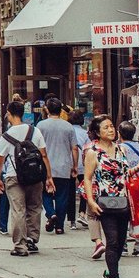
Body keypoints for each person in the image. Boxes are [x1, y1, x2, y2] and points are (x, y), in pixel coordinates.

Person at [83, 115, 135, 278]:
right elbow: (87, 178)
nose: (111, 130)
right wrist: (90, 200)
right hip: (105, 203)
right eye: (106, 128)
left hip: (124, 202)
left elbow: (126, 174)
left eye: (112, 126)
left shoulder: (121, 150)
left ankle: (109, 271)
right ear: (97, 132)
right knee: (112, 241)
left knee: (121, 242)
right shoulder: (93, 152)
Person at [0, 100, 55, 257]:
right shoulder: (35, 131)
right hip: (35, 175)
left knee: (18, 210)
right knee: (35, 207)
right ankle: (32, 240)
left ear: (9, 113)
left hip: (14, 177)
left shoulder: (6, 136)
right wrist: (48, 176)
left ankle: (20, 246)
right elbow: (44, 155)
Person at [37, 98, 80, 235]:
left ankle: (50, 214)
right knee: (62, 196)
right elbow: (74, 148)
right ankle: (60, 226)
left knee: (45, 193)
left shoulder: (41, 125)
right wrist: (74, 166)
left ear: (47, 110)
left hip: (45, 166)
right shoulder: (68, 126)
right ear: (61, 110)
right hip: (63, 166)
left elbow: (37, 147)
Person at [118, 120, 139, 257]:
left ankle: (123, 245)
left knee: (123, 215)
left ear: (120, 134)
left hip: (125, 184)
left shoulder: (118, 148)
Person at [69, 109, 90, 231]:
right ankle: (82, 213)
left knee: (71, 191)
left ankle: (71, 220)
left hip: (70, 164)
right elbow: (88, 149)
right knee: (84, 190)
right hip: (83, 164)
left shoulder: (68, 131)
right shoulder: (84, 133)